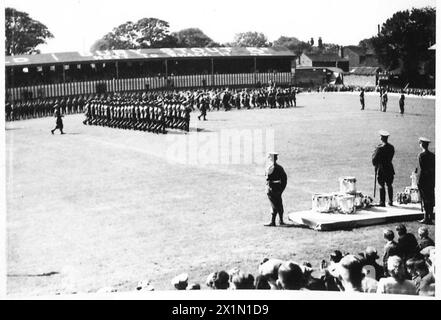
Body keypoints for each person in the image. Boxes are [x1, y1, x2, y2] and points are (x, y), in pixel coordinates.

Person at [264, 152, 288, 226]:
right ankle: (281, 221)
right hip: (277, 189)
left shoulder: (269, 167)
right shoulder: (279, 167)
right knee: (279, 204)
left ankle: (273, 221)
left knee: (274, 205)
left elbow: (267, 178)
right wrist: (281, 189)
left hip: (271, 189)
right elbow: (284, 179)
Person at [372, 130, 395, 206]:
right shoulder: (391, 147)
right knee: (389, 185)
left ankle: (382, 202)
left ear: (381, 138)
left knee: (381, 185)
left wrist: (375, 165)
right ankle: (391, 201)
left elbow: (374, 159)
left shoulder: (379, 148)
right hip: (389, 168)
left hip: (381, 169)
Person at [417, 137, 435, 224]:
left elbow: (422, 170)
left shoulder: (421, 155)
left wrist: (418, 182)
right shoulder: (432, 155)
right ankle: (430, 217)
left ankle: (425, 217)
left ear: (422, 144)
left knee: (425, 199)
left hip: (423, 181)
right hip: (431, 180)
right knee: (430, 199)